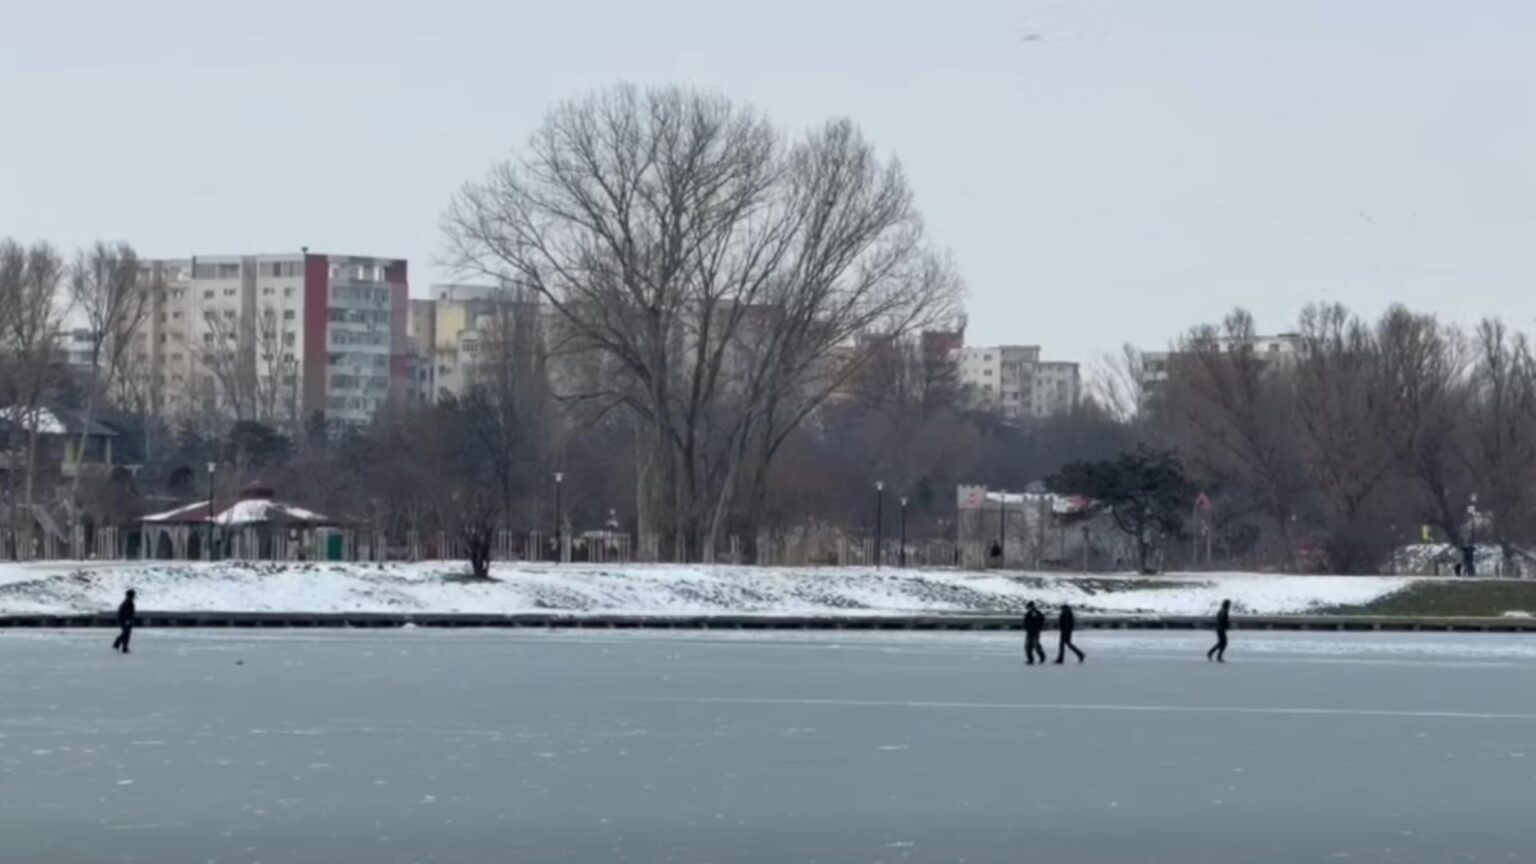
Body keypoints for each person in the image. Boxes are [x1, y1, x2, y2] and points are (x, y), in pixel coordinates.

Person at [111, 589, 136, 654]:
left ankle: (123, 647)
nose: (134, 596)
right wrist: (127, 620)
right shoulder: (128, 602)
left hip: (123, 619)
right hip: (125, 620)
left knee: (126, 633)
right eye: (133, 594)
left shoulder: (127, 601)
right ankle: (118, 644)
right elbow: (127, 612)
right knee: (126, 633)